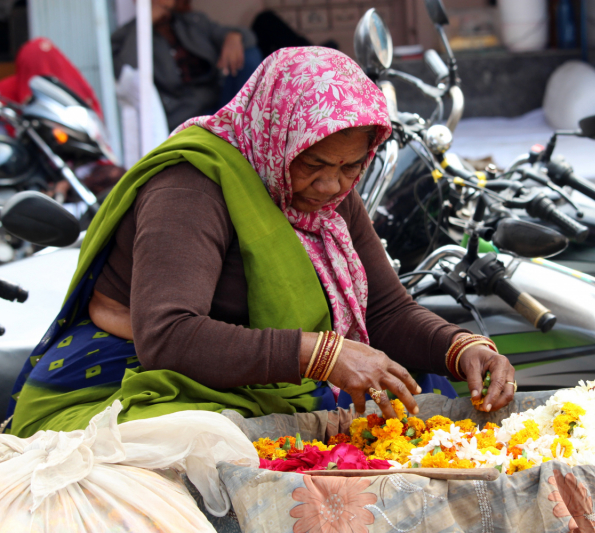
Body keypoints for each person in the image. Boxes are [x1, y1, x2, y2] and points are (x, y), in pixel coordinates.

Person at [6, 47, 516, 438]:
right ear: (276, 134)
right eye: (313, 164)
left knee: (416, 396)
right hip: (130, 379)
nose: (332, 186)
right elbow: (168, 335)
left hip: (258, 373)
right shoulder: (191, 186)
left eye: (350, 167)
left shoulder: (331, 196)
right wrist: (318, 354)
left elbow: (384, 311)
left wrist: (460, 346)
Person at [111, 0, 262, 130]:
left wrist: (233, 37)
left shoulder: (192, 22)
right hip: (184, 116)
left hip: (220, 101)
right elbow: (125, 73)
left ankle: (253, 128)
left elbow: (248, 37)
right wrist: (144, 24)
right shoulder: (126, 35)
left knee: (249, 55)